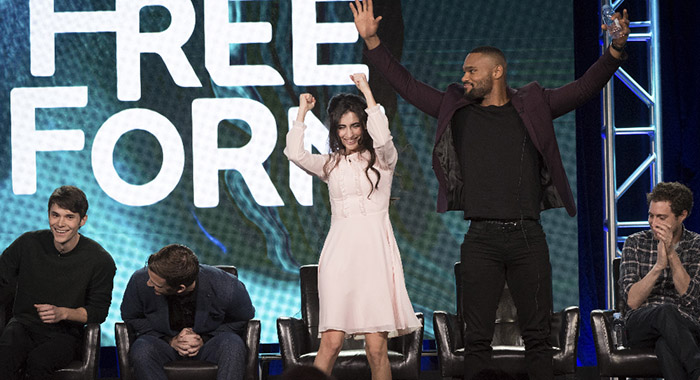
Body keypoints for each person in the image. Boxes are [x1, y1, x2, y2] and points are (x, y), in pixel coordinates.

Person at [350, 0, 631, 378]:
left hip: (527, 236)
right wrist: (373, 43)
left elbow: (583, 88)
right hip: (480, 238)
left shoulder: (533, 103)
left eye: (471, 71)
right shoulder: (458, 109)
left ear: (497, 72)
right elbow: (409, 86)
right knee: (476, 337)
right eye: (464, 70)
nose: (464, 77)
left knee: (537, 337)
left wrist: (614, 50)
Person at [284, 73, 421, 380]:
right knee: (330, 343)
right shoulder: (330, 163)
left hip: (375, 256)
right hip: (338, 256)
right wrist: (302, 114)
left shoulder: (382, 161)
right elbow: (295, 153)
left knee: (376, 349)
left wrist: (368, 93)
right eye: (342, 127)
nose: (349, 133)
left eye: (355, 125)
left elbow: (384, 139)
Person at [0, 185, 116, 380]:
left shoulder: (100, 260)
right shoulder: (27, 243)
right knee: (5, 355)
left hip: (66, 335)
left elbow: (99, 312)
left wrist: (63, 313)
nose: (60, 223)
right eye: (55, 215)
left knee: (39, 361)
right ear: (48, 215)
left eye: (69, 217)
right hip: (23, 326)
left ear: (82, 220)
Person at [121, 244, 255, 380]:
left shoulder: (227, 287)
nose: (149, 283)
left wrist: (203, 339)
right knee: (142, 348)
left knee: (232, 344)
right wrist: (170, 340)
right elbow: (131, 318)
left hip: (210, 344)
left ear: (180, 288)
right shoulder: (139, 280)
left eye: (157, 284)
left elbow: (242, 320)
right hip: (163, 343)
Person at [619, 182, 700, 379]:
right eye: (651, 215)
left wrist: (671, 254)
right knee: (665, 311)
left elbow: (692, 299)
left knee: (666, 346)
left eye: (661, 217)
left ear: (682, 216)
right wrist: (657, 267)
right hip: (641, 324)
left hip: (684, 324)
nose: (653, 223)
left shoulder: (696, 245)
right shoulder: (635, 243)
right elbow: (632, 301)